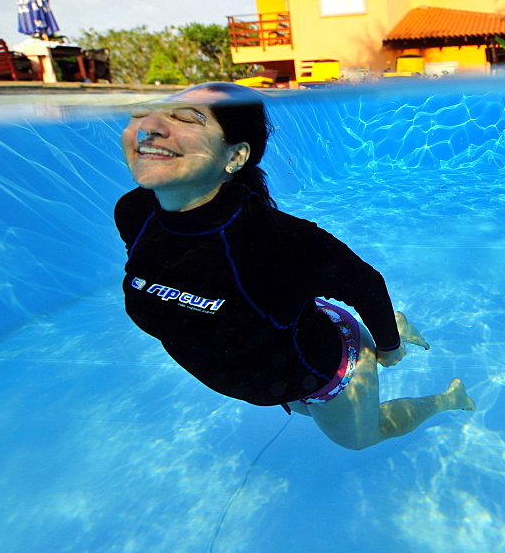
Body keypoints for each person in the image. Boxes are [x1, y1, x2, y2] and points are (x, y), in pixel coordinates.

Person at [114, 82, 474, 450]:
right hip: (280, 368)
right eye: (142, 113)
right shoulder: (134, 213)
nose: (150, 127)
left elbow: (365, 283)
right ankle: (388, 327)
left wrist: (389, 346)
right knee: (306, 405)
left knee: (362, 437)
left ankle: (450, 397)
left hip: (328, 372)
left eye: (186, 118)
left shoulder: (277, 239)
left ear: (235, 157)